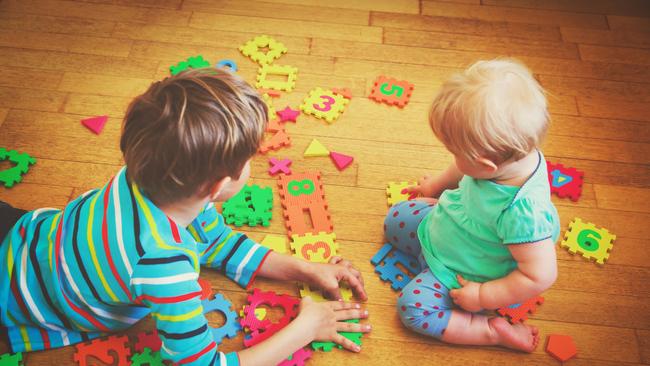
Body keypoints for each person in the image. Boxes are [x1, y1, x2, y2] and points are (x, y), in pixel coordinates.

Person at [0, 68, 370, 365]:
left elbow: (217, 243)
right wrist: (305, 328)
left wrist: (304, 268)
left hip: (24, 233)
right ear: (219, 185)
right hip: (18, 294)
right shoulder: (163, 265)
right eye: (249, 161)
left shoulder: (146, 176)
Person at [387, 59, 559, 352]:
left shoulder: (522, 214)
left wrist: (482, 295)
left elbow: (539, 275)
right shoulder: (506, 158)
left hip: (462, 273)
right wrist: (436, 186)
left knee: (413, 309)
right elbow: (463, 170)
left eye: (454, 152)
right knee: (395, 219)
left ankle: (491, 332)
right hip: (448, 229)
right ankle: (430, 236)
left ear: (486, 165)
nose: (453, 158)